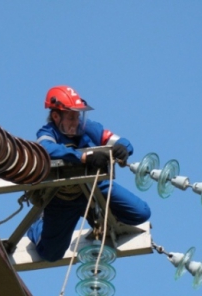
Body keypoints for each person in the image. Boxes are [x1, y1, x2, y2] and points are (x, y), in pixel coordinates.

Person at [27, 85, 151, 262]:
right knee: (51, 254)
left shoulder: (89, 128)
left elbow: (119, 140)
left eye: (78, 115)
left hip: (95, 186)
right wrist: (84, 158)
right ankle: (38, 224)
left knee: (141, 213)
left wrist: (123, 148)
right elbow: (45, 149)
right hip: (63, 196)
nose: (76, 121)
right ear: (56, 116)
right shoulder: (47, 133)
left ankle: (98, 217)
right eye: (71, 116)